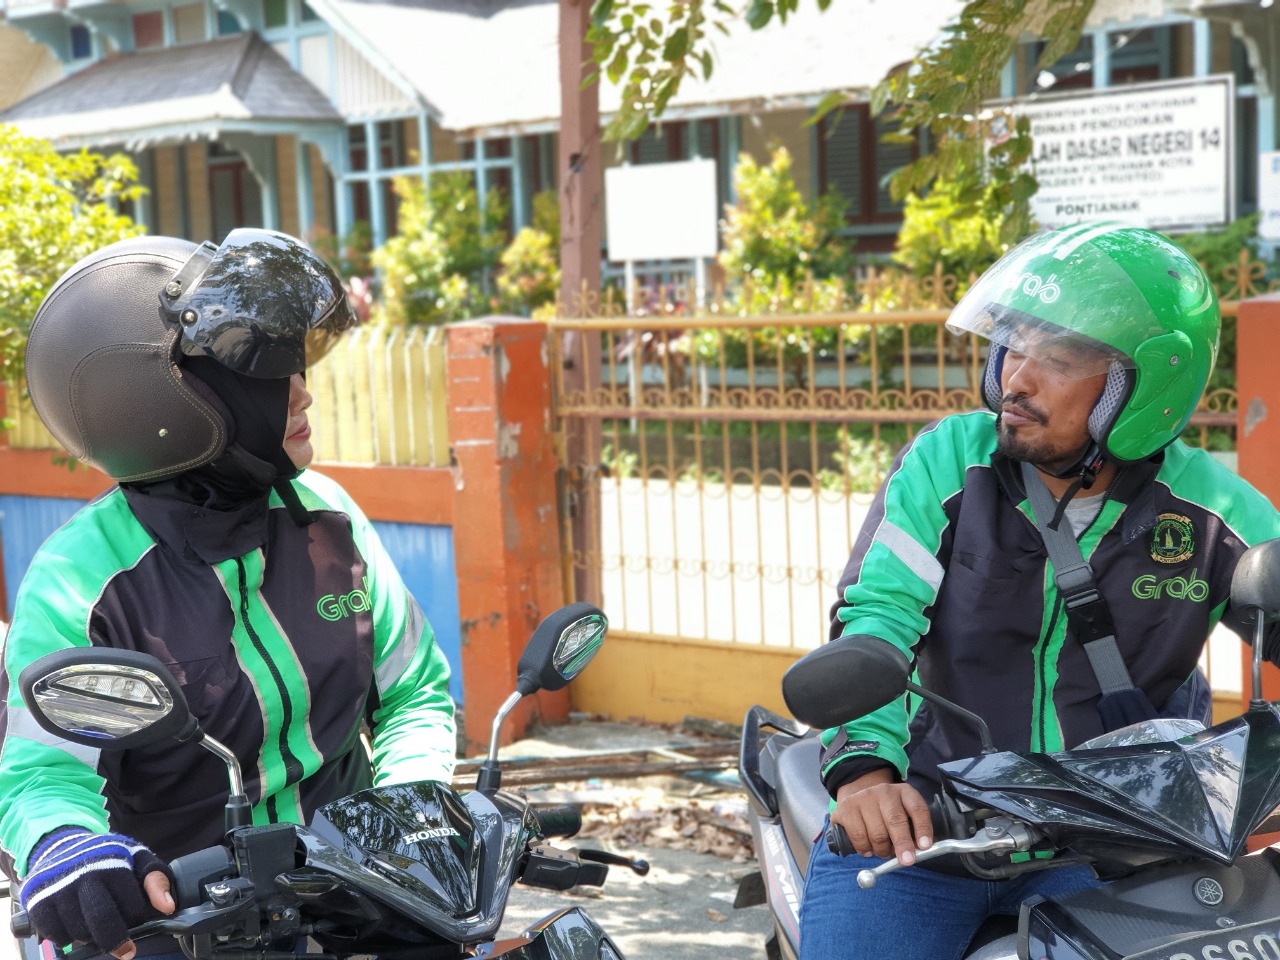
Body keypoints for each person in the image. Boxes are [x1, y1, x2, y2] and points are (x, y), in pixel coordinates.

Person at [797, 222, 1280, 960]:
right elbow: (878, 619)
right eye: (1012, 348)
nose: (1016, 380)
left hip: (1118, 844)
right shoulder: (950, 464)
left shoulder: (1214, 511)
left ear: (1144, 387)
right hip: (929, 825)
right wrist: (866, 776)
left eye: (1053, 359)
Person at [0, 230, 457, 960]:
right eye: (265, 377)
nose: (304, 391)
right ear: (165, 404)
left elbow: (414, 694)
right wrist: (67, 847)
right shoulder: (79, 579)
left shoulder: (326, 517)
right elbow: (45, 773)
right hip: (176, 918)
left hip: (357, 899)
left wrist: (408, 809)